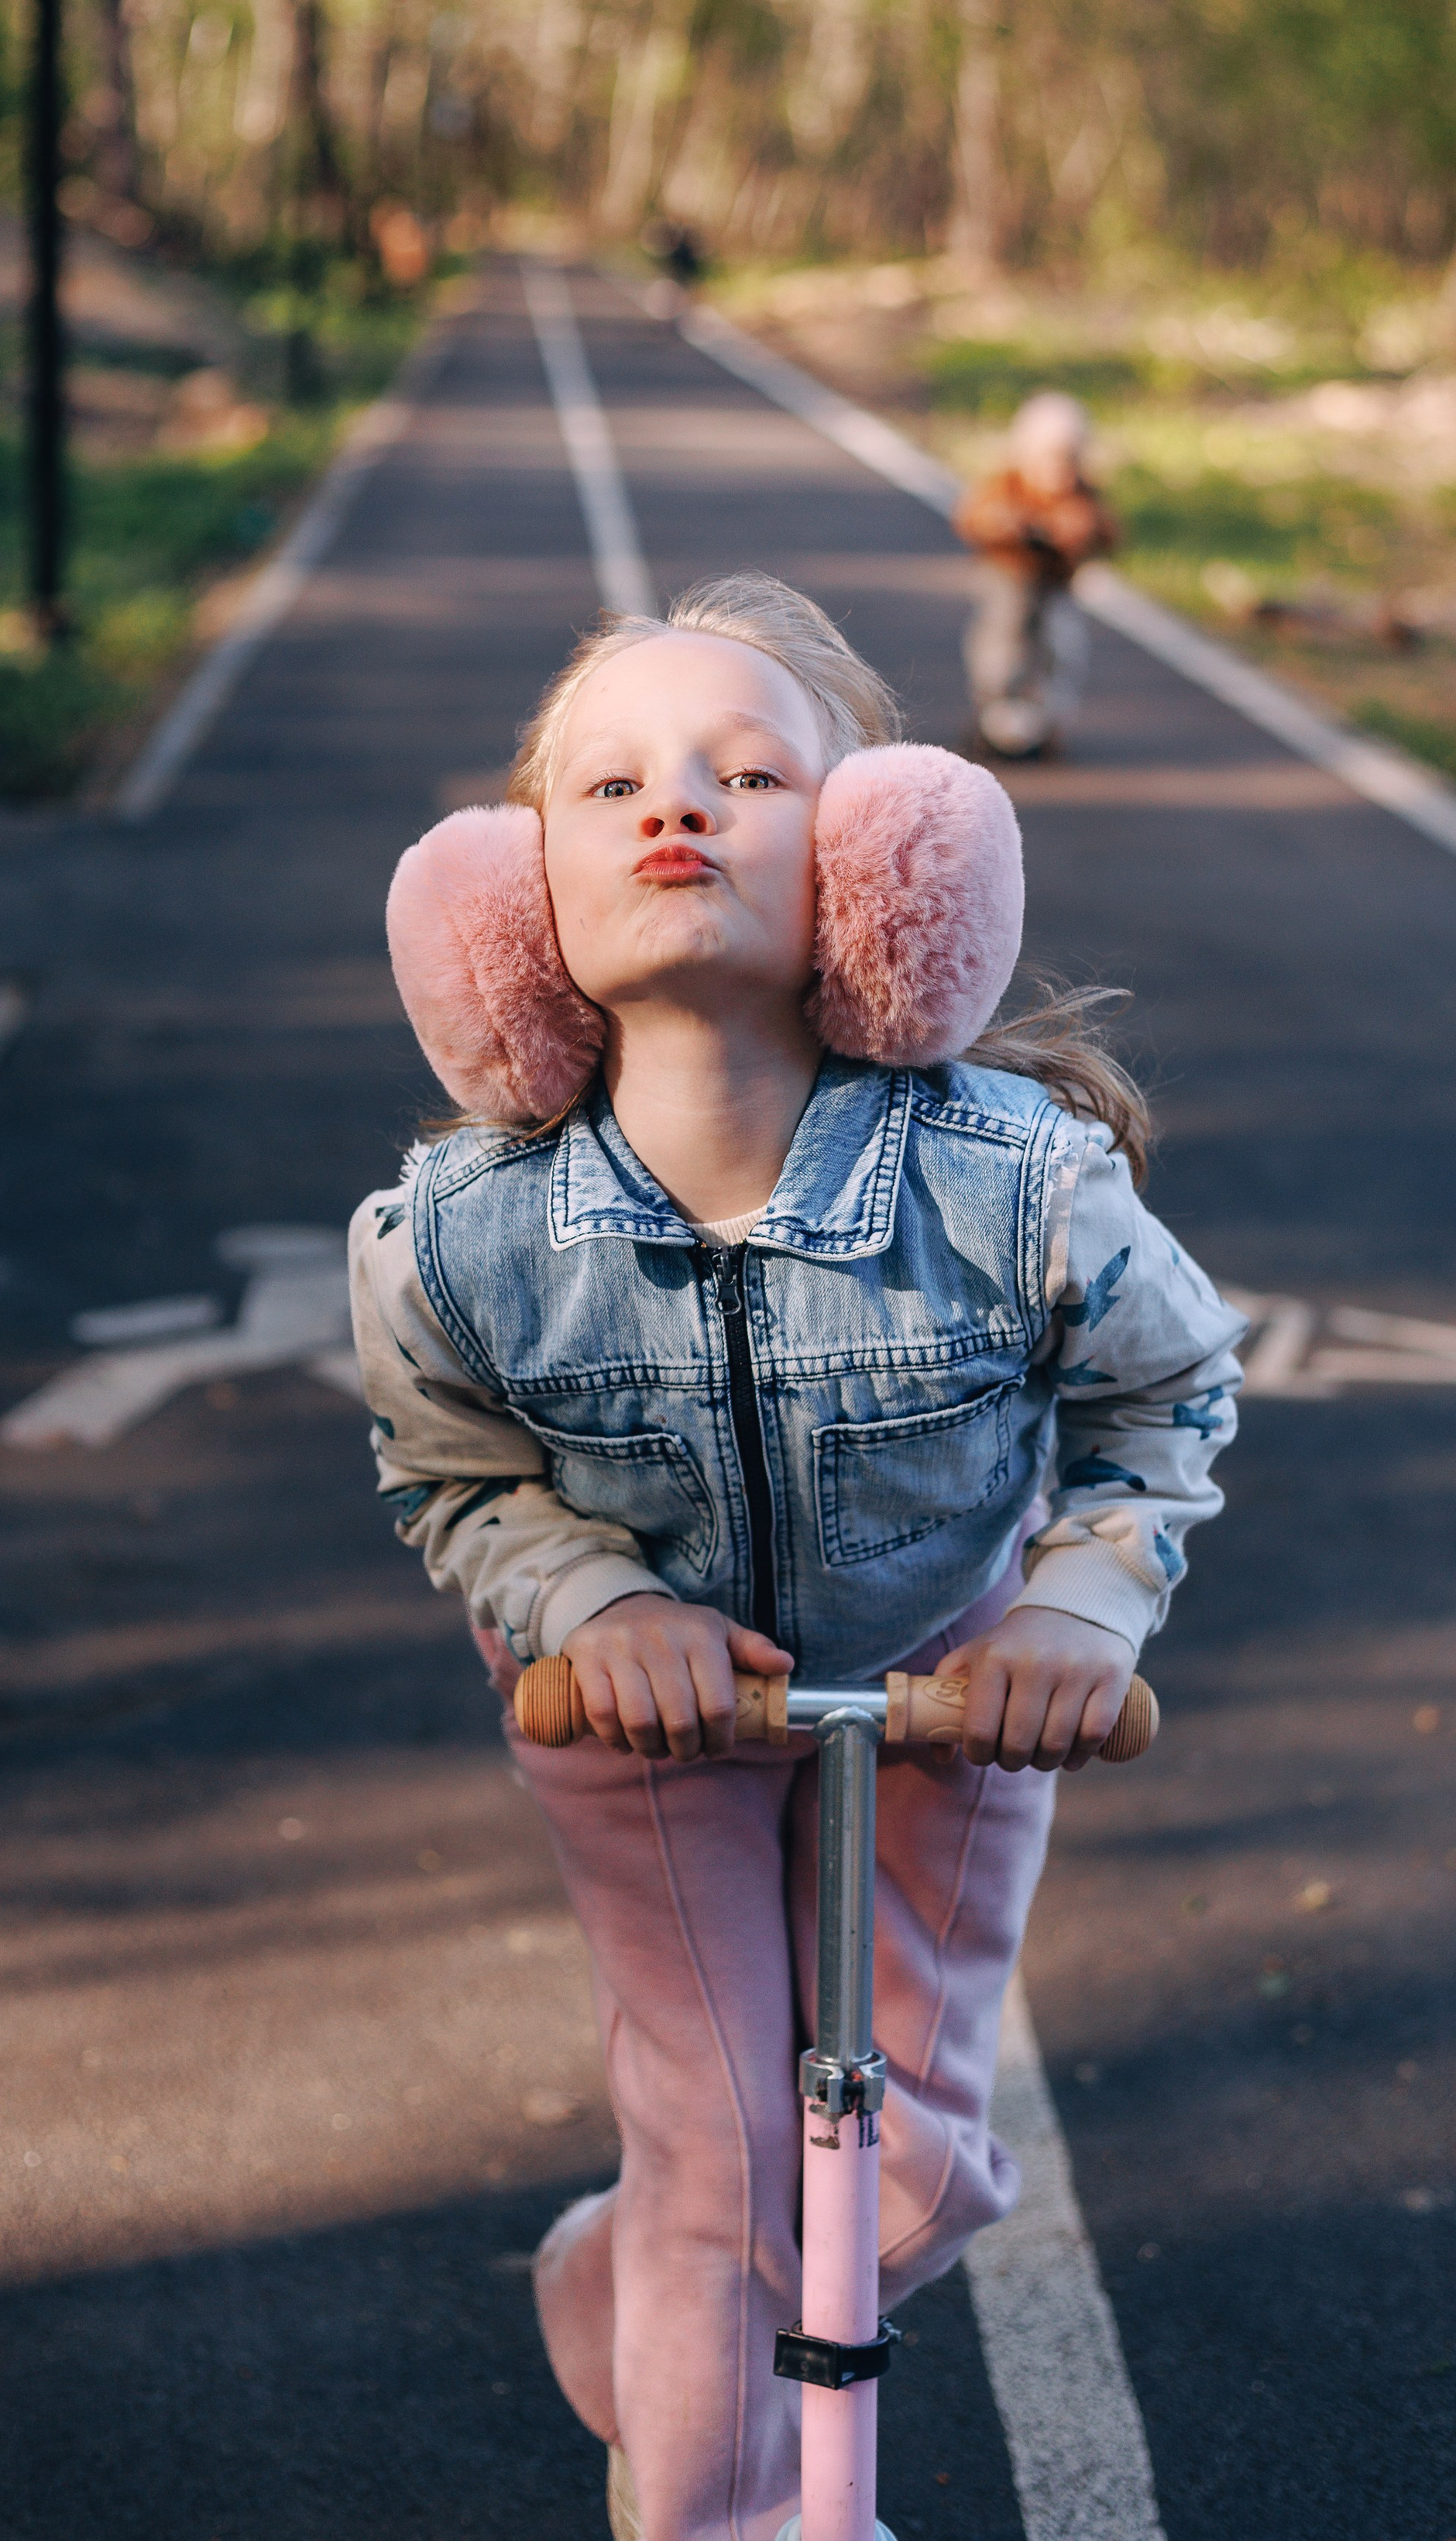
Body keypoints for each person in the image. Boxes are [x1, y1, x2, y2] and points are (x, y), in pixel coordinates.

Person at [349, 576, 1240, 2541]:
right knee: (732, 2155)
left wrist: (1075, 1604)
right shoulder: (455, 1237)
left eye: (746, 772)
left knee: (906, 2175)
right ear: (516, 908)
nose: (676, 804)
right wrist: (592, 1600)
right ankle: (730, 2502)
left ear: (876, 863)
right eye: (610, 785)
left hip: (945, 1686)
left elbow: (1163, 1403)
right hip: (635, 1715)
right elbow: (453, 1472)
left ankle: (621, 2281)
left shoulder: (1012, 1180)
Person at [953, 390, 1120, 761]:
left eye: (1069, 462)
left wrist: (1077, 530)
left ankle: (1046, 720)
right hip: (1008, 578)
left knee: (1060, 646)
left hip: (1057, 584)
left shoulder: (1082, 495)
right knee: (1003, 641)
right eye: (1048, 460)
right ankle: (993, 713)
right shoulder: (1007, 485)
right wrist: (1005, 523)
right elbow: (972, 517)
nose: (1058, 472)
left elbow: (1108, 532)